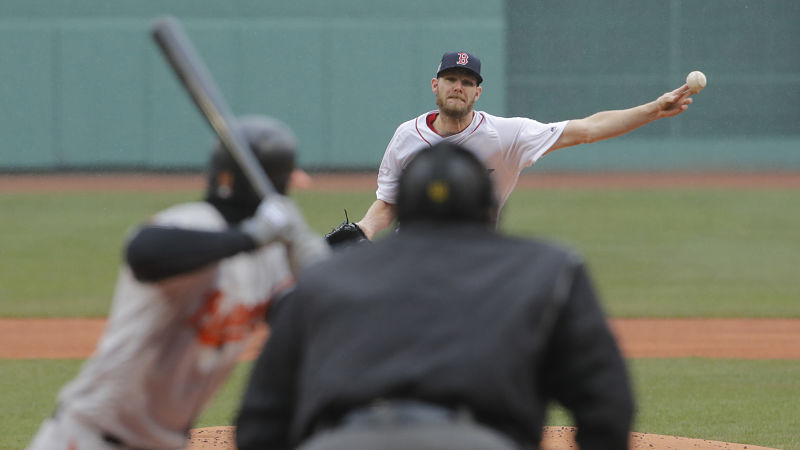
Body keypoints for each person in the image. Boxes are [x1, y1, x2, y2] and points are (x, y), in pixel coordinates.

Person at [236, 142, 634, 450]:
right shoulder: (549, 268)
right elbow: (607, 404)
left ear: (402, 209)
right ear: (488, 209)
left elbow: (261, 418)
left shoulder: (325, 276)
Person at [27, 115, 330, 450]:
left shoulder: (270, 260)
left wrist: (316, 269)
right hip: (89, 439)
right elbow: (144, 251)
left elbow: (305, 321)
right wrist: (252, 236)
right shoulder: (190, 224)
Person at [327, 50, 696, 241]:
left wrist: (652, 110)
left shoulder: (507, 135)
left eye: (467, 82)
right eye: (451, 78)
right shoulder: (406, 136)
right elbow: (388, 204)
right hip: (412, 258)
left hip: (476, 258)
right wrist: (363, 231)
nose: (458, 86)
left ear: (478, 92)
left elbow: (587, 129)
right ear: (435, 86)